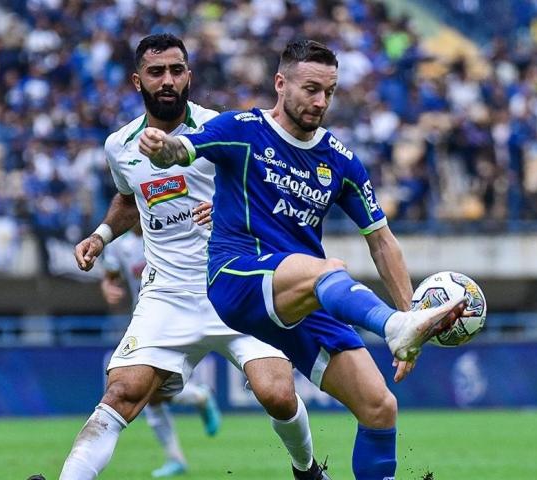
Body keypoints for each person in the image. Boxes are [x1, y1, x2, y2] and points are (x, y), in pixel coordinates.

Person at [140, 39, 468, 479]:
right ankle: (392, 327)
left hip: (303, 296)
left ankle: (396, 329)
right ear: (281, 83)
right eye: (311, 89)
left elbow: (382, 241)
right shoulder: (240, 129)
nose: (320, 101)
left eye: (329, 92)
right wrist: (162, 147)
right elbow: (182, 151)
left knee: (380, 407)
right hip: (237, 278)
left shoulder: (341, 161)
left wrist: (412, 312)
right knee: (327, 271)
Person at [59, 34, 329, 480]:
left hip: (235, 281)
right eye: (156, 72)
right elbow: (129, 199)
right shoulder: (119, 146)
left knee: (277, 393)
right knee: (121, 393)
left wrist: (228, 203)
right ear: (137, 81)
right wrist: (101, 236)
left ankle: (307, 471)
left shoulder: (220, 128)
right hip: (168, 293)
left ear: (189, 76)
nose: (168, 80)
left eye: (176, 70)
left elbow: (264, 188)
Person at [101, 221, 222, 477]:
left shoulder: (169, 232)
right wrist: (109, 288)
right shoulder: (119, 247)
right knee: (150, 394)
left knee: (148, 389)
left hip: (182, 314)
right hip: (147, 318)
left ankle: (196, 402)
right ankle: (181, 442)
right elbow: (109, 277)